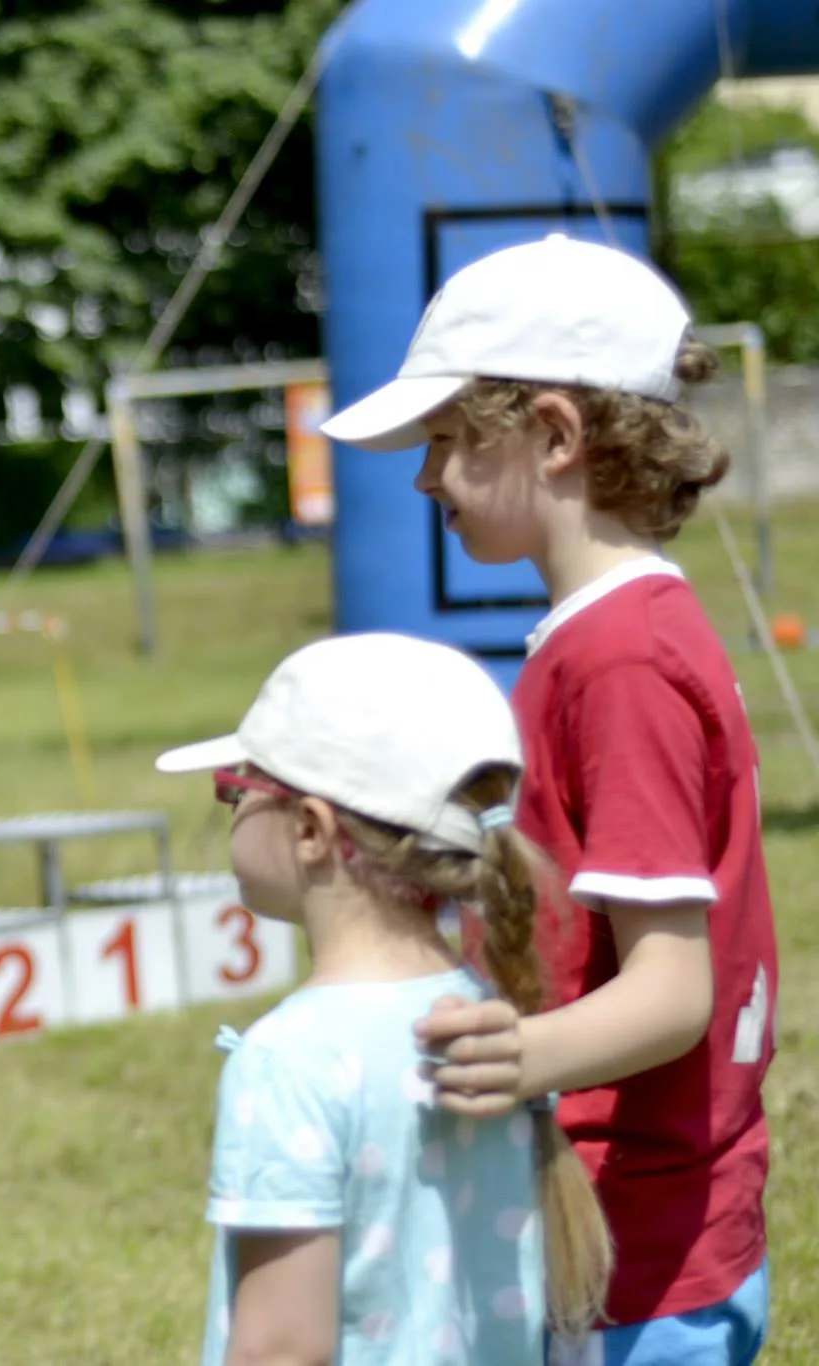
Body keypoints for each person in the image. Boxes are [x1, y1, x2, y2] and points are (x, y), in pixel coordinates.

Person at [322, 235, 776, 1364]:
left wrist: (508, 1057)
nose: (423, 478)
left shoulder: (619, 658)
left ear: (554, 435)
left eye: (441, 441)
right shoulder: (609, 639)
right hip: (619, 1241)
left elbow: (672, 990)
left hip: (646, 1261)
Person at [157, 631, 609, 1366]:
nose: (230, 806)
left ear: (310, 829)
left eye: (236, 789)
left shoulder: (289, 1062)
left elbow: (281, 1349)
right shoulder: (491, 1023)